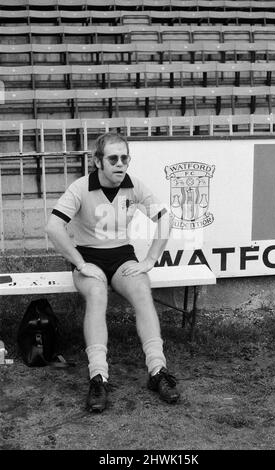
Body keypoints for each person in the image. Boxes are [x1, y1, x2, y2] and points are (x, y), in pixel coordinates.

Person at [46, 132, 180, 412]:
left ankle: (157, 371)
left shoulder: (135, 185)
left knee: (143, 291)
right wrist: (80, 263)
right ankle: (98, 377)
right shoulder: (81, 187)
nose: (120, 164)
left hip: (121, 256)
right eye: (113, 158)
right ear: (98, 161)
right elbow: (53, 228)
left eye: (124, 158)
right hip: (88, 256)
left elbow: (165, 218)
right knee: (96, 294)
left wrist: (150, 259)